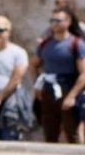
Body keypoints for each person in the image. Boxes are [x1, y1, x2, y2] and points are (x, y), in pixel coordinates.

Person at [31, 8, 85, 142]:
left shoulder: (76, 44)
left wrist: (72, 96)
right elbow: (34, 65)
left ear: (68, 22)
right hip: (49, 90)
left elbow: (84, 73)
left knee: (72, 133)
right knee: (50, 132)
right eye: (52, 20)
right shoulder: (45, 44)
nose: (54, 24)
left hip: (68, 87)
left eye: (58, 20)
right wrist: (37, 85)